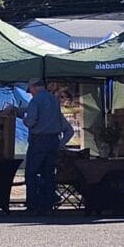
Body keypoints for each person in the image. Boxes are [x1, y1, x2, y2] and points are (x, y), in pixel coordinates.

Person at [22, 79, 74, 215]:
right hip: (53, 141)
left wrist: (24, 120)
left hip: (38, 141)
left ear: (33, 88)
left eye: (30, 90)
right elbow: (67, 128)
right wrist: (59, 144)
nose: (30, 93)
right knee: (48, 174)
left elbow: (31, 122)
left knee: (31, 173)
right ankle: (48, 205)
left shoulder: (35, 101)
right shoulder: (54, 101)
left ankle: (33, 206)